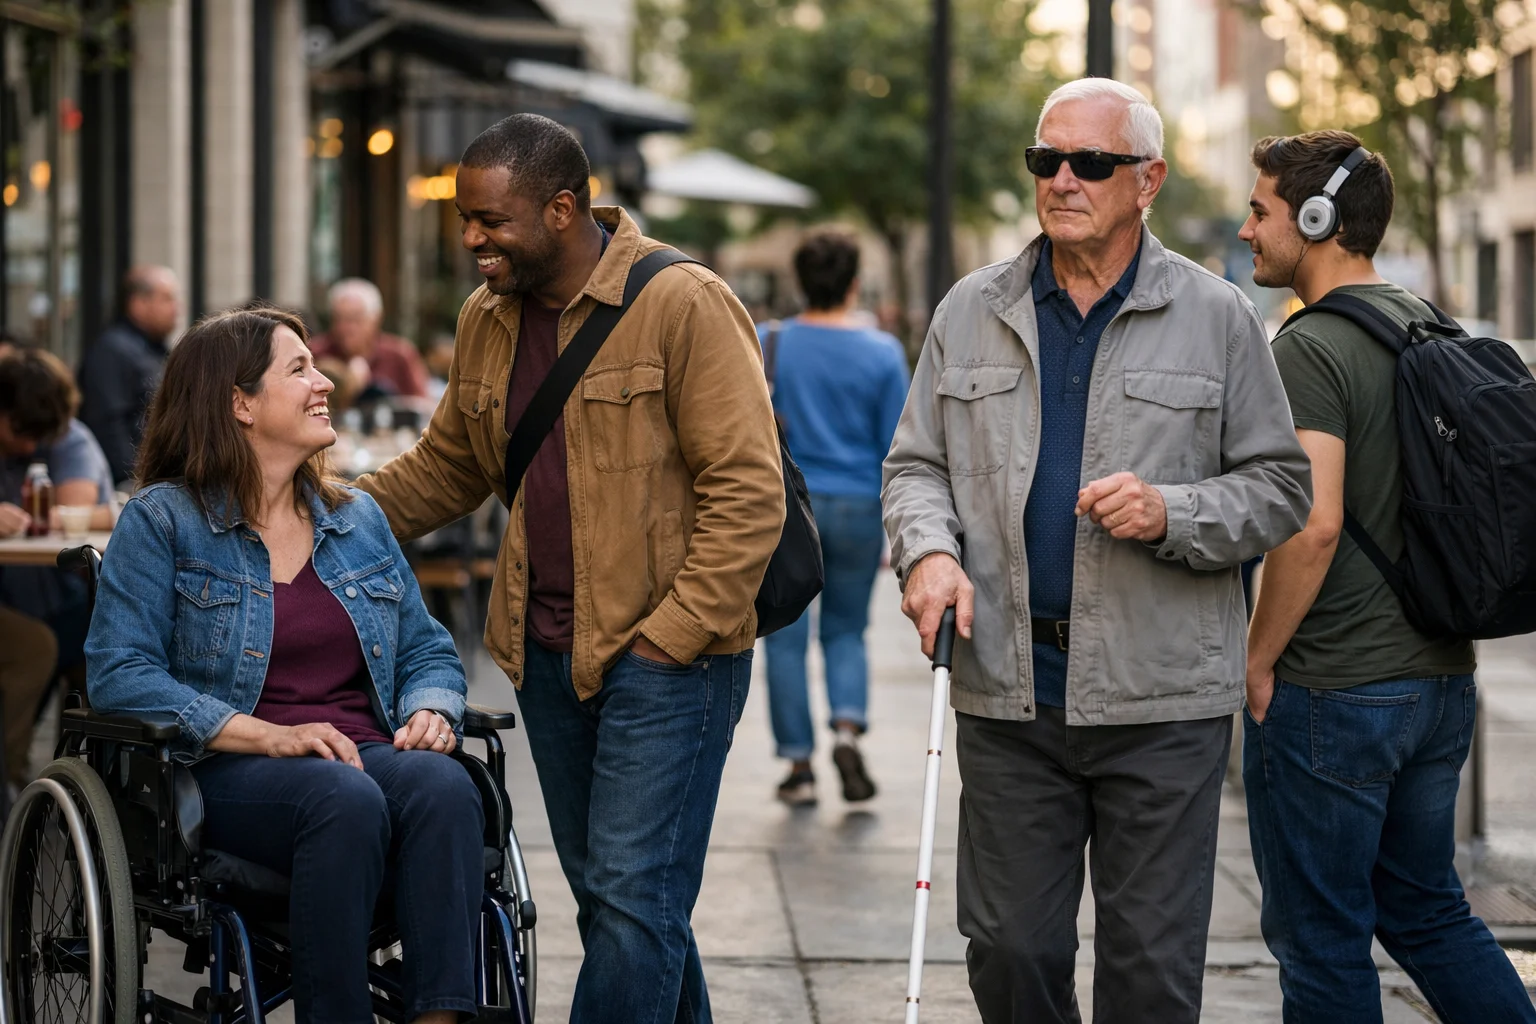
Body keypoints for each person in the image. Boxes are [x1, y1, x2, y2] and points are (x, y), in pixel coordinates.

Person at [882, 78, 1312, 1023]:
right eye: (1047, 159)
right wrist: (928, 554)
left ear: (1147, 180)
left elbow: (1282, 488)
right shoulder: (970, 309)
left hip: (1161, 700)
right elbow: (915, 466)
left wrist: (1172, 512)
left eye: (1090, 162)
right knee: (1010, 952)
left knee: (1150, 974)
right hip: (1008, 688)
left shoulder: (1219, 317)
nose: (1063, 179)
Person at [353, 113, 784, 1023]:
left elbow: (748, 493)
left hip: (670, 660)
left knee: (631, 902)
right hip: (547, 656)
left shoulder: (683, 303)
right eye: (465, 219)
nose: (471, 239)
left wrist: (669, 641)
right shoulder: (486, 318)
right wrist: (308, 512)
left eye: (490, 220)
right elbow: (449, 468)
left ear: (560, 209)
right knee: (622, 902)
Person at [84, 307, 484, 1024]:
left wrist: (432, 705)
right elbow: (120, 674)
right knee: (343, 799)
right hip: (225, 768)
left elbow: (425, 647)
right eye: (299, 369)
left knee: (444, 785)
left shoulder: (356, 518)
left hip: (360, 748)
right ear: (240, 403)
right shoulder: (163, 521)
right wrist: (269, 735)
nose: (325, 381)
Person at [1240, 131, 1536, 1022]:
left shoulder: (1309, 348)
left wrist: (1257, 661)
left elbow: (1313, 524)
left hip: (1335, 690)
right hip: (1440, 683)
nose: (1247, 231)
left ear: (1316, 220)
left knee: (1320, 937)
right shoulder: (1428, 322)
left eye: (1260, 211)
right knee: (1428, 910)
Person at [759, 231, 909, 806]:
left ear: (800, 282)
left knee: (784, 637)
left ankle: (799, 766)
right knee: (847, 628)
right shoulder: (882, 352)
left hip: (787, 510)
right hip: (857, 506)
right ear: (853, 285)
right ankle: (847, 728)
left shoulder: (768, 342)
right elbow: (898, 444)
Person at [0, 342, 117, 748]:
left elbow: (77, 510)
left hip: (62, 599)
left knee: (83, 643)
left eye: (39, 435)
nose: (30, 445)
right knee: (36, 646)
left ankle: (64, 767)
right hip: (27, 600)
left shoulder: (66, 437)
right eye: (21, 431)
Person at [78, 265, 181, 484]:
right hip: (130, 484)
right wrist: (136, 481)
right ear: (138, 304)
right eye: (166, 299)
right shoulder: (112, 351)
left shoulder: (157, 350)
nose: (176, 308)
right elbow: (109, 425)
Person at [310, 278, 430, 403]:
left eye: (355, 319)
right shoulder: (314, 353)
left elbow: (423, 405)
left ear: (375, 319)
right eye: (338, 319)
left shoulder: (400, 355)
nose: (346, 328)